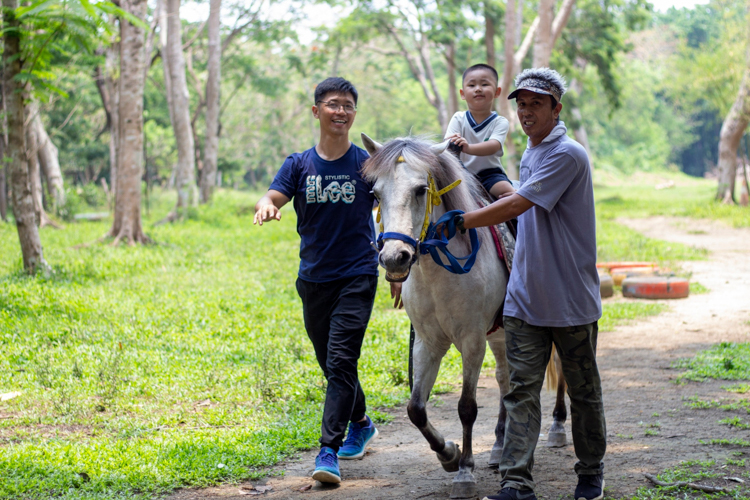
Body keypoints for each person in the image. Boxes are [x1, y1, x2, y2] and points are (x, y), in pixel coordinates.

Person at [443, 68, 606, 500]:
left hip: (570, 300)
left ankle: (591, 474)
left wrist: (463, 220)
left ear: (557, 107)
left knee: (584, 396)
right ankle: (516, 484)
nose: (527, 111)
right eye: (521, 103)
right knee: (520, 394)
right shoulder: (532, 153)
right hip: (524, 300)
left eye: (537, 103)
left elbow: (517, 202)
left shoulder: (568, 154)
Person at [253, 77, 379, 485]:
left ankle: (328, 450)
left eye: (347, 105)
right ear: (316, 111)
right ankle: (361, 421)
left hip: (358, 274)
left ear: (354, 114)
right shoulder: (298, 164)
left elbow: (396, 209)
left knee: (342, 359)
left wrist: (400, 269)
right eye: (332, 104)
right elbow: (273, 196)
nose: (340, 111)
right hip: (313, 278)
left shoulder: (367, 165)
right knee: (332, 363)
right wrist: (266, 207)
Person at [445, 63, 515, 200]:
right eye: (471, 86)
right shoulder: (458, 118)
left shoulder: (500, 122)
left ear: (497, 92)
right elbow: (447, 145)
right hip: (460, 174)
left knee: (510, 194)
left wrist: (468, 147)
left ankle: (519, 221)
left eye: (484, 84)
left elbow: (494, 145)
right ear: (462, 94)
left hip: (490, 174)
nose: (478, 89)